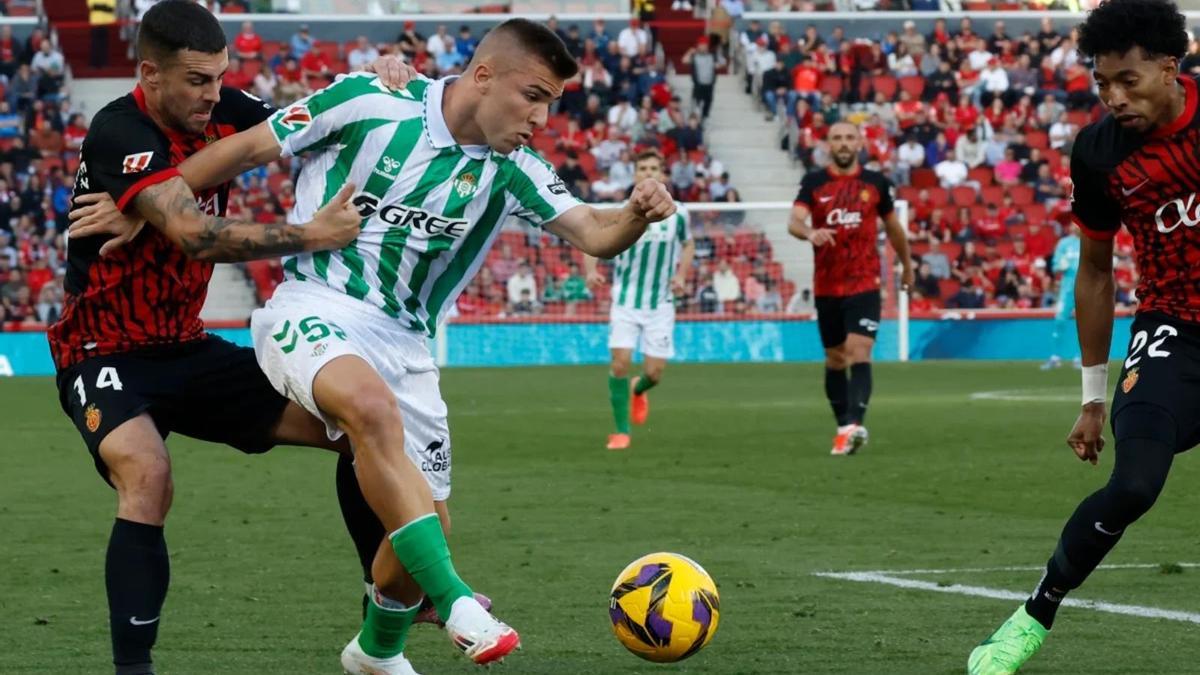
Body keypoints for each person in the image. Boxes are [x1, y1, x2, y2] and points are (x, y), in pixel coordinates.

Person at [160, 18, 675, 674]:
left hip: (409, 345)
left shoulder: (516, 169)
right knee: (370, 410)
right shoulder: (366, 103)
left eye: (552, 103)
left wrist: (635, 213)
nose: (542, 117)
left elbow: (594, 234)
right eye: (534, 95)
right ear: (483, 76)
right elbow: (244, 150)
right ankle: (458, 600)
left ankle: (376, 651)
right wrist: (148, 200)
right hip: (316, 305)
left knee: (420, 534)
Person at [56, 4, 413, 674]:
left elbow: (323, 123)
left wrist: (385, 81)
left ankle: (384, 586)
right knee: (148, 474)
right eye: (196, 80)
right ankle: (133, 667)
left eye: (220, 78)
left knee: (351, 428)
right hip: (102, 350)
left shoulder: (226, 110)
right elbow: (192, 238)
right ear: (150, 75)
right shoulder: (117, 131)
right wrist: (311, 233)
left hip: (185, 346)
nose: (212, 94)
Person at [968, 1, 1200, 672]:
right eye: (1102, 83)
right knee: (1132, 485)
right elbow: (1095, 270)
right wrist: (1092, 396)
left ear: (1170, 64)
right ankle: (1032, 615)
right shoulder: (1099, 153)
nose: (1113, 97)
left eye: (1128, 80)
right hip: (1171, 329)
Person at [786, 122, 913, 456]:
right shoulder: (814, 182)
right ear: (828, 145)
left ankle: (855, 425)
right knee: (835, 358)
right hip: (827, 286)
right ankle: (844, 426)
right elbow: (794, 221)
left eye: (849, 138)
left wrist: (907, 266)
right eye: (837, 138)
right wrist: (809, 233)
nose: (843, 143)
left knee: (859, 350)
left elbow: (895, 229)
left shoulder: (876, 183)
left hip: (864, 282)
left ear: (859, 143)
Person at [584, 150, 693, 450]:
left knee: (654, 374)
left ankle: (638, 389)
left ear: (663, 175)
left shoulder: (679, 214)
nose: (648, 173)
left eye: (654, 168)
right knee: (620, 364)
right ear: (634, 176)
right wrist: (591, 271)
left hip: (660, 303)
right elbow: (590, 241)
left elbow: (688, 245)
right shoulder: (622, 212)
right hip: (626, 302)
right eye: (642, 168)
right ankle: (622, 431)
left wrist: (682, 275)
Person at [1043, 223, 1082, 370]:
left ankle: (1080, 358)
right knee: (1059, 320)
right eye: (1073, 225)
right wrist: (1061, 265)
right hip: (1066, 289)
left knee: (1083, 324)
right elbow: (1055, 266)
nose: (1074, 227)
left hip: (1085, 288)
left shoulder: (1090, 243)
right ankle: (1055, 357)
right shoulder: (1064, 244)